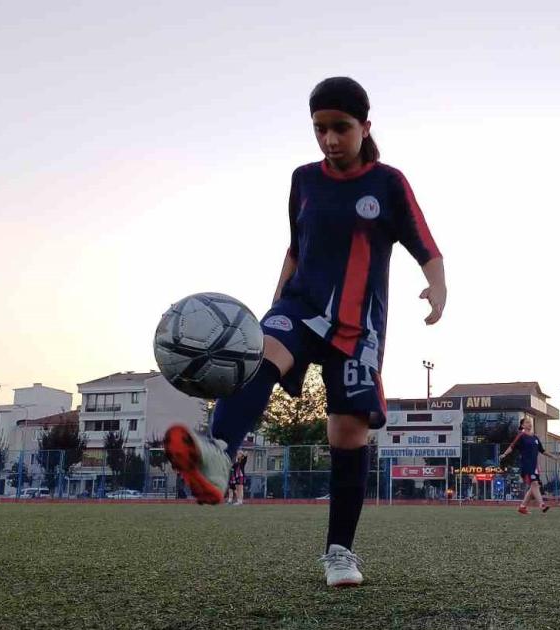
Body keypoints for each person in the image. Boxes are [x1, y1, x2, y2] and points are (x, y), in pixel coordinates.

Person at [163, 77, 445, 588]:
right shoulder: (303, 179)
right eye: (320, 129)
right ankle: (219, 454)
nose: (330, 140)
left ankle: (340, 552)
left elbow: (425, 243)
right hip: (300, 305)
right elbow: (296, 247)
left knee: (347, 433)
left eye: (341, 128)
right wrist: (276, 301)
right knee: (259, 352)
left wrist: (437, 288)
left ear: (364, 126)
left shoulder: (388, 183)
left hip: (359, 328)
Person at [499, 418, 557, 515]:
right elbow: (512, 446)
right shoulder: (521, 436)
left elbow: (542, 450)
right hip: (526, 465)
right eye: (527, 423)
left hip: (534, 466)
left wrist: (553, 456)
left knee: (535, 486)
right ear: (522, 426)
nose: (529, 424)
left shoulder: (535, 437)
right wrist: (504, 454)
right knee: (534, 484)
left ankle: (522, 507)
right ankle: (542, 505)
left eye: (530, 423)